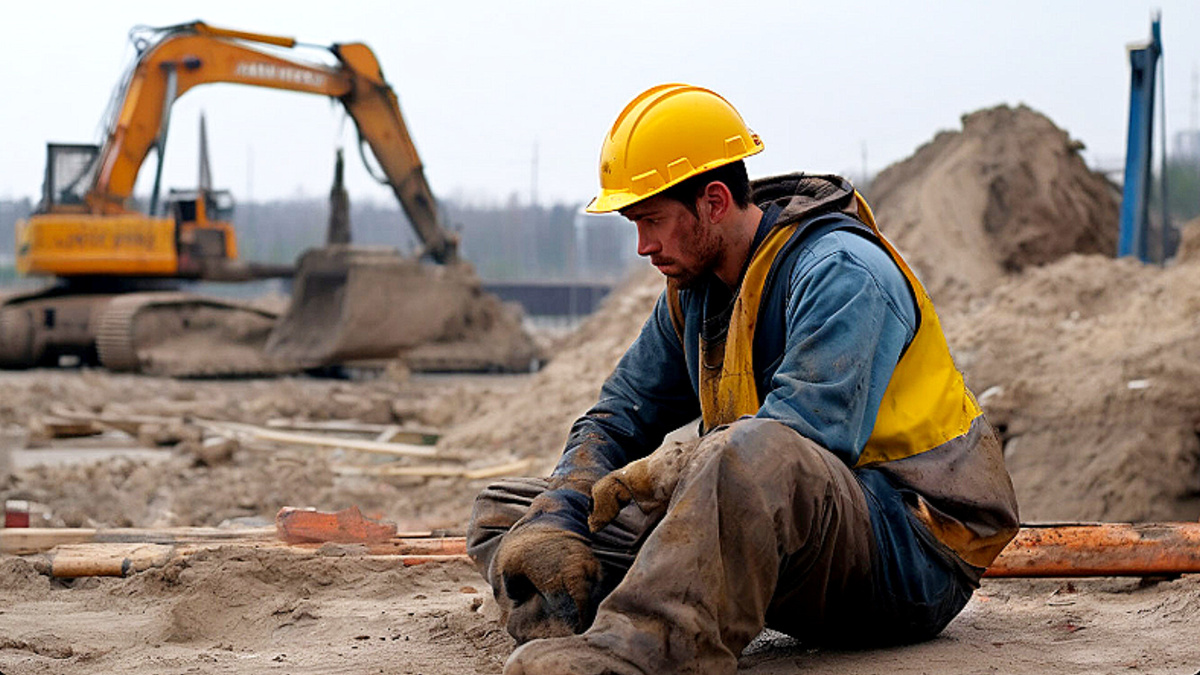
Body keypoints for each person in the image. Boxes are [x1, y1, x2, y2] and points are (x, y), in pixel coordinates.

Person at [467, 83, 1020, 675]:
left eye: (652, 221)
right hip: (769, 528)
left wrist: (672, 467)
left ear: (712, 201)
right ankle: (575, 622)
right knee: (507, 510)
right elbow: (618, 413)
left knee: (751, 451)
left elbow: (803, 440)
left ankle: (642, 655)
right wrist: (560, 511)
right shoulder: (694, 295)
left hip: (910, 552)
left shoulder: (841, 272)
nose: (642, 246)